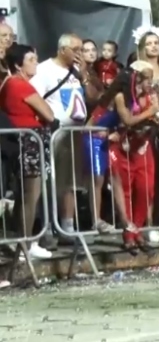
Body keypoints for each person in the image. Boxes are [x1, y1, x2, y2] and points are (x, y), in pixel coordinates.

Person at [98, 62, 159, 254]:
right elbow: (127, 120)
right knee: (125, 190)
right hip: (122, 147)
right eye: (146, 79)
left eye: (151, 79)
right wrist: (149, 113)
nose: (149, 83)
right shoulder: (121, 96)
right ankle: (129, 234)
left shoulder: (152, 95)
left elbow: (156, 116)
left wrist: (158, 120)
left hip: (143, 146)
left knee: (146, 189)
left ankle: (137, 228)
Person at [31, 33, 89, 245]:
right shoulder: (45, 70)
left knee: (70, 182)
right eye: (76, 49)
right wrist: (50, 121)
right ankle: (45, 227)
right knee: (50, 181)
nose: (79, 54)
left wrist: (84, 76)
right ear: (62, 49)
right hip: (55, 134)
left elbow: (91, 98)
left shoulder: (77, 71)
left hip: (75, 133)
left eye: (82, 49)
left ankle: (67, 227)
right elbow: (34, 98)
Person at [0, 44, 57, 259]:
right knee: (30, 194)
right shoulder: (19, 85)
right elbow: (49, 114)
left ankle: (25, 241)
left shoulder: (11, 84)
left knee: (29, 194)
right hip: (28, 142)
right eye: (31, 59)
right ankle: (24, 243)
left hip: (27, 141)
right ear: (17, 64)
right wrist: (42, 117)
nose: (36, 63)